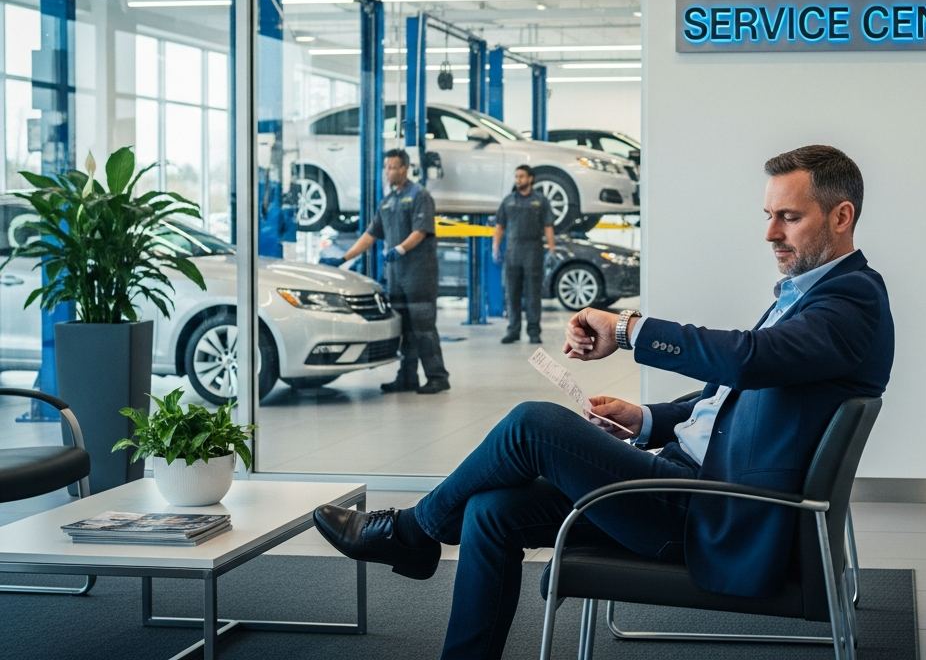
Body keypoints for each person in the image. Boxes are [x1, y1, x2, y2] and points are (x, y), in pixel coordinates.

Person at [312, 145, 893, 659]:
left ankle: (413, 532)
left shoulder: (851, 302)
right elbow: (736, 394)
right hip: (686, 480)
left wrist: (627, 329)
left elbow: (747, 360)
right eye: (768, 216)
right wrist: (645, 420)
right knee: (491, 511)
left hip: (711, 508)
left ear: (841, 217)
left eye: (788, 218)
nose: (770, 233)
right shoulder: (811, 295)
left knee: (532, 425)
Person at [327, 148, 450, 395]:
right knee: (403, 328)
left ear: (405, 168)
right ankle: (407, 377)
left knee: (423, 326)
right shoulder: (387, 201)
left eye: (393, 167)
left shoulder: (419, 195)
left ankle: (438, 376)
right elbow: (371, 234)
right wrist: (343, 257)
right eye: (386, 167)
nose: (388, 172)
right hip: (396, 276)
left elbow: (422, 230)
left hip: (419, 274)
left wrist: (401, 249)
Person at [493, 164, 556, 344]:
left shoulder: (540, 201)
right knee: (512, 293)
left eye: (521, 176)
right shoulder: (508, 201)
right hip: (513, 251)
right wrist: (495, 247)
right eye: (516, 176)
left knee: (533, 294)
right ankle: (513, 330)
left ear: (530, 179)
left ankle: (534, 331)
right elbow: (500, 226)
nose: (518, 180)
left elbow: (548, 226)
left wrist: (552, 248)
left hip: (533, 250)